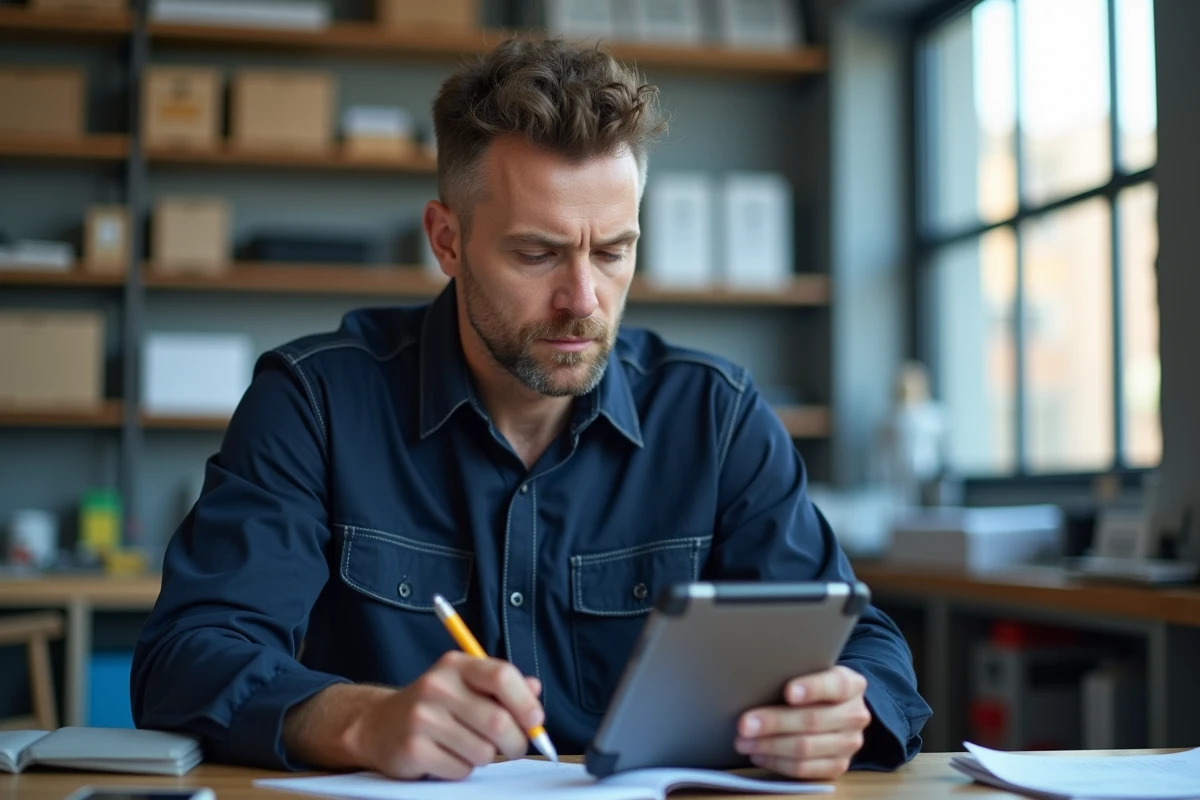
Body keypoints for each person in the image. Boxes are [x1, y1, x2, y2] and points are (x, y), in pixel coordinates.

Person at [130, 37, 931, 782]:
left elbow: (865, 645)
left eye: (612, 252)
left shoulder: (715, 418)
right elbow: (187, 657)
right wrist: (362, 721)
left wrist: (845, 707)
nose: (582, 300)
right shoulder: (315, 403)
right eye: (537, 253)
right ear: (447, 241)